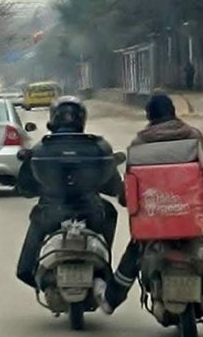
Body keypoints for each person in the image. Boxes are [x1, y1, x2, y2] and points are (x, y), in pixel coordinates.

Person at [101, 94, 203, 313]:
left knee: (135, 251)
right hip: (190, 218)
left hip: (155, 222)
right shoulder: (192, 136)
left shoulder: (140, 142)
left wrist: (125, 198)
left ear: (149, 116)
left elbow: (130, 186)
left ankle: (110, 300)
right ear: (173, 111)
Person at [15, 97, 123, 293]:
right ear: (81, 119)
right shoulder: (95, 147)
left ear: (53, 119)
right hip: (92, 213)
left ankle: (32, 268)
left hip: (51, 214)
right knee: (110, 212)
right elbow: (113, 186)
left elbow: (25, 189)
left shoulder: (42, 149)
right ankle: (104, 264)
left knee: (27, 260)